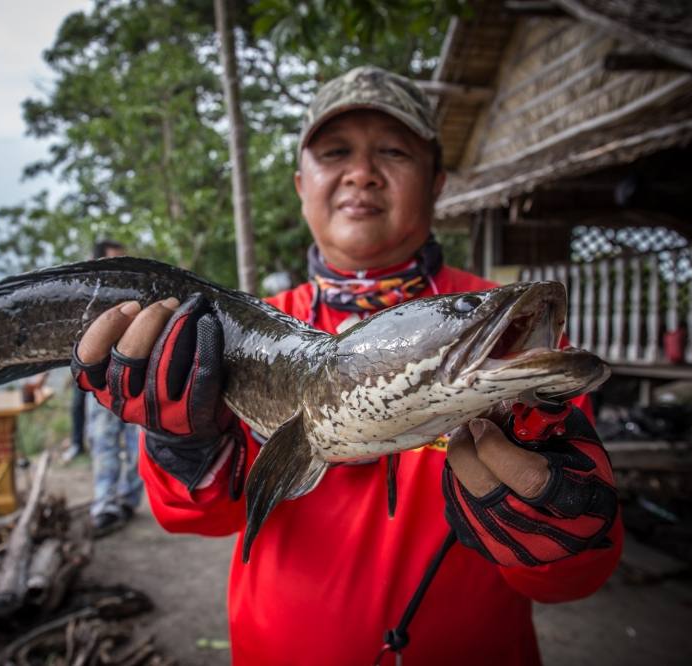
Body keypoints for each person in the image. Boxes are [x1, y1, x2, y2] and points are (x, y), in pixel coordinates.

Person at [72, 67, 622, 664]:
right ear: (300, 184)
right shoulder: (229, 331)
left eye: (392, 151)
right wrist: (182, 443)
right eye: (336, 153)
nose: (361, 173)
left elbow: (573, 580)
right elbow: (198, 519)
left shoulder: (512, 342)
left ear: (437, 182)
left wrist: (560, 529)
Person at [68, 239, 144, 536]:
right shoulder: (86, 295)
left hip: (133, 379)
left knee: (137, 443)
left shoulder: (133, 292)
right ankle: (104, 504)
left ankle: (128, 498)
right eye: (116, 260)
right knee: (103, 442)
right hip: (100, 381)